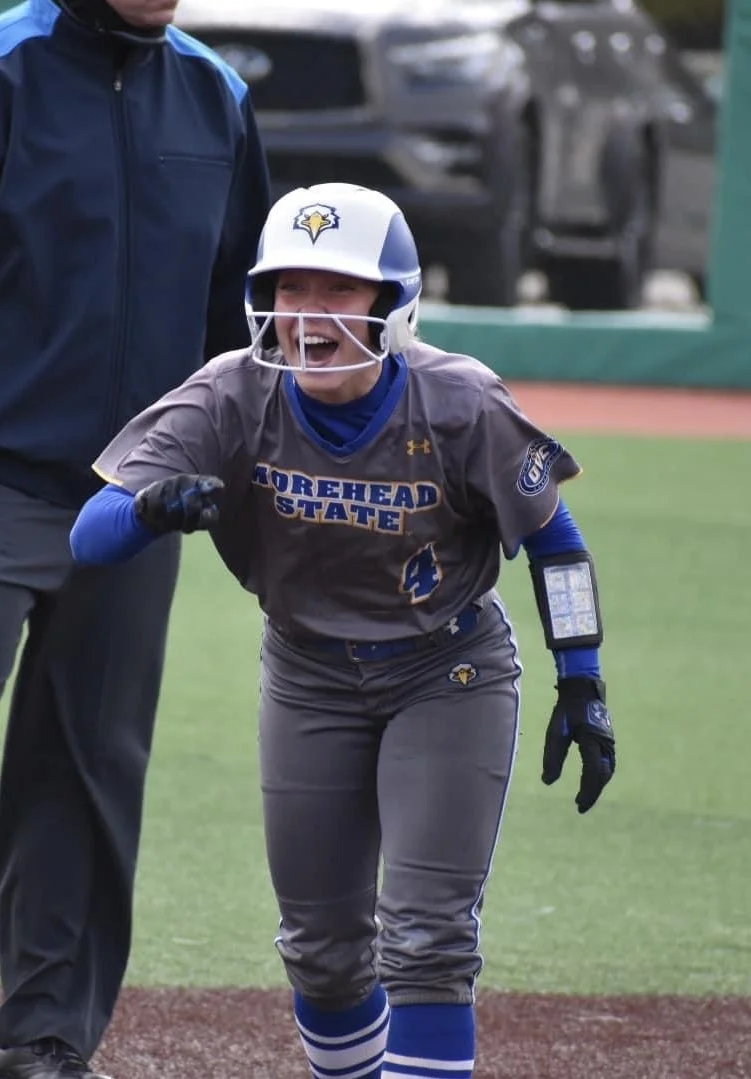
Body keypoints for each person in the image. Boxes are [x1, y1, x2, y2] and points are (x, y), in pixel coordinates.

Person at [70, 182, 616, 1079]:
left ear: (391, 304)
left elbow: (555, 542)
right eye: (289, 288)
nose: (307, 313)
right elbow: (91, 537)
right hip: (307, 673)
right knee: (320, 950)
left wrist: (582, 677)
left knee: (427, 938)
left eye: (337, 289)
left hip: (447, 671)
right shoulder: (232, 392)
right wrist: (152, 509)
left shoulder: (458, 401)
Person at [0, 0, 270, 1074]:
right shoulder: (9, 67)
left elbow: (238, 319)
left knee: (86, 770)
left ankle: (42, 1038)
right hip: (4, 478)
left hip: (138, 502)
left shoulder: (217, 95)